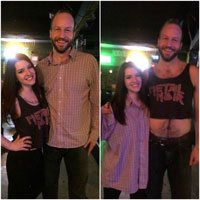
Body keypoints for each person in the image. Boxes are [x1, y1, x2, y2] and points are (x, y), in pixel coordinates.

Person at [37, 9, 99, 199]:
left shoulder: (89, 62)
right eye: (57, 29)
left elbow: (95, 100)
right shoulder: (40, 68)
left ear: (73, 33)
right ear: (50, 33)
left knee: (78, 193)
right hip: (49, 142)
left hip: (79, 142)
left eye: (67, 30)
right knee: (49, 191)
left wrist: (95, 132)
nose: (62, 35)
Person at [144, 18, 199, 198]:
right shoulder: (146, 75)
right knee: (150, 193)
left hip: (182, 147)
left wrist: (198, 145)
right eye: (165, 38)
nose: (169, 44)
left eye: (174, 40)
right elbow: (134, 108)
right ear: (158, 41)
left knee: (182, 195)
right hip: (152, 146)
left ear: (180, 44)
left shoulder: (192, 72)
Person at [1, 53, 50, 199]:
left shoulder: (39, 92)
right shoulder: (14, 99)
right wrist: (10, 145)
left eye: (29, 67)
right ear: (15, 76)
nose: (28, 73)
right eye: (21, 71)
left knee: (38, 188)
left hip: (38, 155)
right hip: (21, 159)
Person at [101, 62, 149, 199]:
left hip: (140, 169)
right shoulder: (113, 107)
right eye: (129, 77)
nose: (134, 80)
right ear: (122, 81)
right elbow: (103, 134)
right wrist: (101, 115)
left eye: (137, 75)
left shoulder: (148, 107)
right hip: (116, 167)